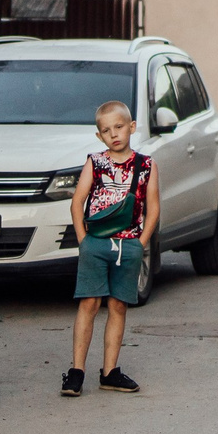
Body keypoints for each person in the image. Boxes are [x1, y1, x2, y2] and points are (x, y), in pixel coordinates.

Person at [63, 99, 156, 397]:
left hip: (128, 245)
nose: (114, 134)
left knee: (118, 306)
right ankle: (76, 371)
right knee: (89, 304)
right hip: (96, 244)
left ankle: (110, 371)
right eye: (106, 130)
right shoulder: (96, 162)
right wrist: (83, 241)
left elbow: (152, 209)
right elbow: (77, 201)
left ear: (131, 127)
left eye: (119, 127)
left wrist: (139, 245)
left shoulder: (146, 166)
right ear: (99, 136)